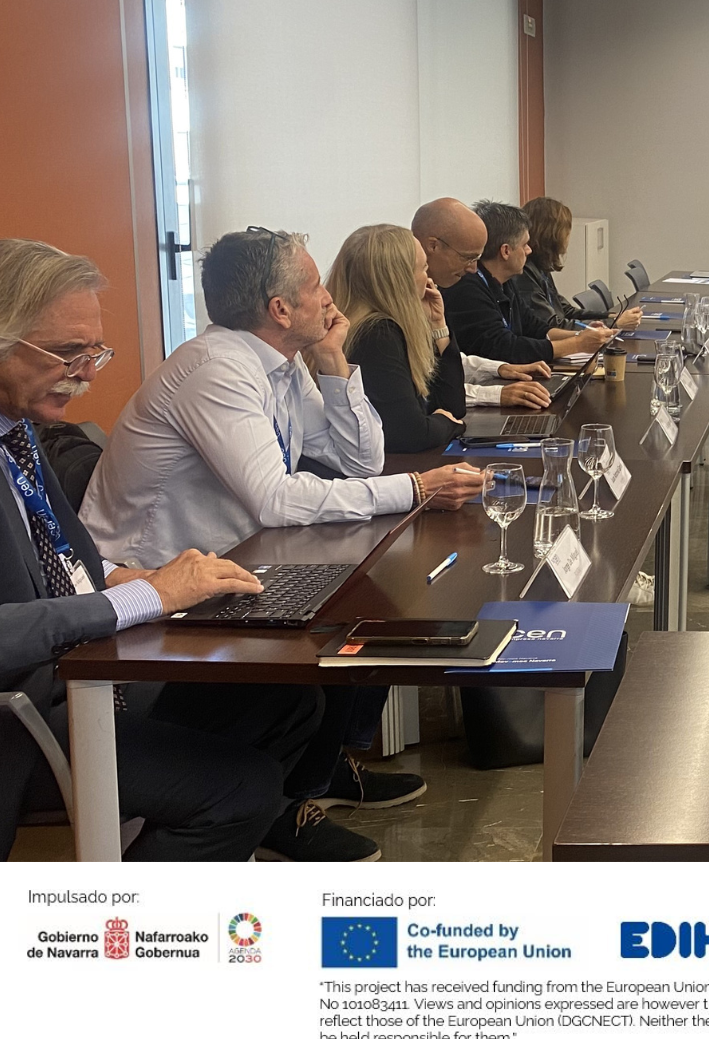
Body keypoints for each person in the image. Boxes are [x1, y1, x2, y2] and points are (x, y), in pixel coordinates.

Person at [80, 227, 486, 861]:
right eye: (316, 286)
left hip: (227, 569)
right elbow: (276, 498)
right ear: (280, 309)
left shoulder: (282, 364)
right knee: (322, 657)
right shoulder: (216, 369)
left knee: (358, 618)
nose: (330, 299)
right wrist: (414, 488)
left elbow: (359, 460)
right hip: (148, 591)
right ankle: (265, 812)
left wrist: (335, 363)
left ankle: (283, 801)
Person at [0, 237, 323, 861]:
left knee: (286, 701)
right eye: (67, 353)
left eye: (94, 351)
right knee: (242, 789)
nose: (88, 373)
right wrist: (147, 596)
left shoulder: (18, 429)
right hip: (25, 710)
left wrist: (137, 578)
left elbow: (66, 562)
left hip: (76, 673)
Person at [327, 224, 466, 454]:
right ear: (401, 280)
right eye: (424, 268)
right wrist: (446, 423)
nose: (429, 278)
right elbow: (410, 434)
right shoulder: (377, 335)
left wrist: (438, 325)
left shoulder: (367, 327)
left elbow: (452, 406)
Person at [409, 198, 553, 411]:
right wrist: (495, 394)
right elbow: (422, 389)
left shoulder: (434, 289)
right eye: (467, 258)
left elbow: (441, 363)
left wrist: (499, 369)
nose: (473, 269)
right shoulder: (455, 289)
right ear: (433, 246)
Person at [443, 200, 615, 367]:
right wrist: (577, 344)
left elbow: (535, 327)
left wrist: (581, 335)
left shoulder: (505, 282)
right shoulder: (467, 289)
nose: (529, 250)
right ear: (506, 251)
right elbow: (505, 348)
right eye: (524, 244)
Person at [510, 196, 642, 332]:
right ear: (552, 234)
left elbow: (565, 311)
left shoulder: (540, 266)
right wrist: (612, 323)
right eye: (566, 231)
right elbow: (552, 325)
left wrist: (611, 316)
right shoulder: (524, 272)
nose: (568, 237)